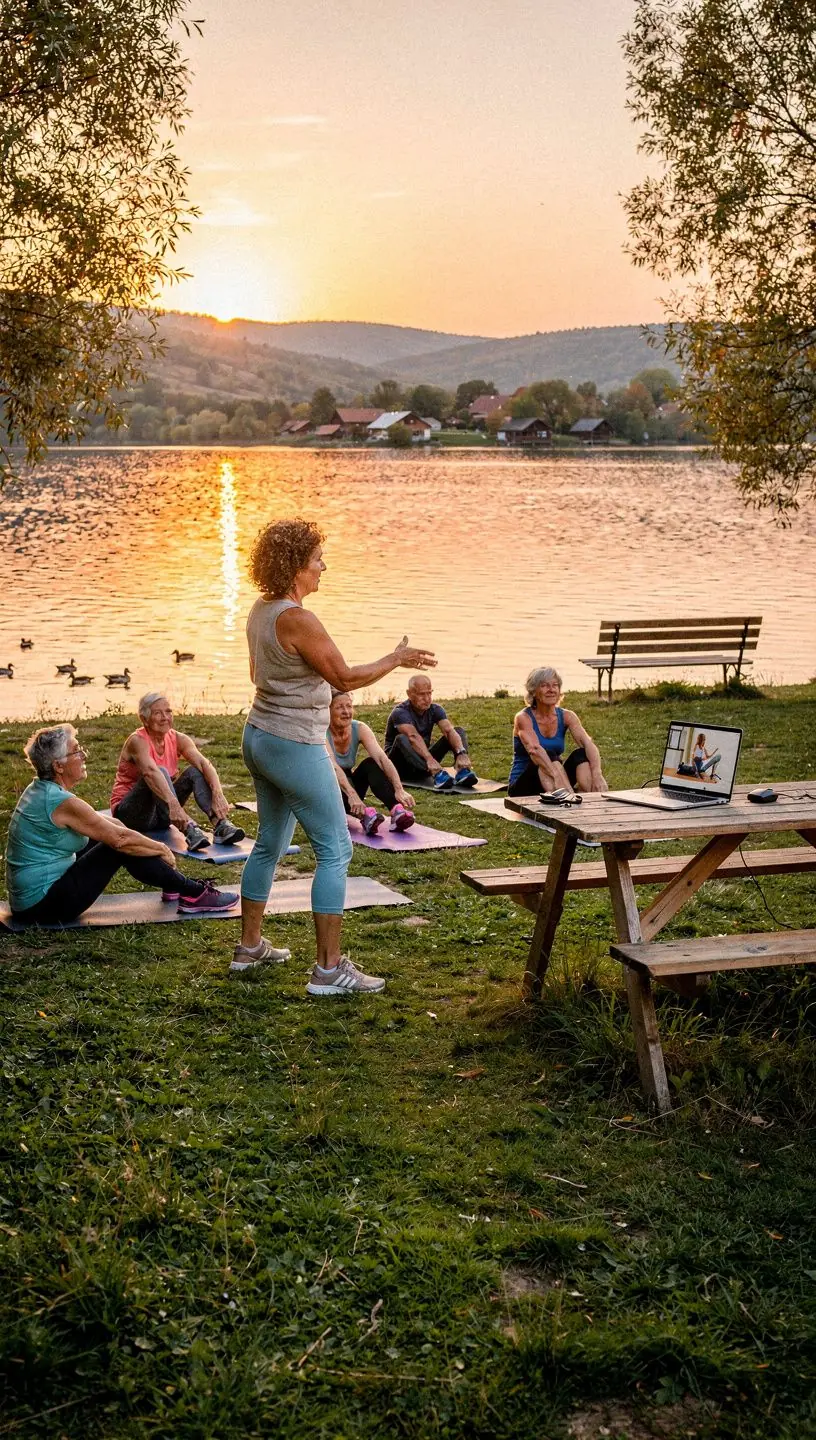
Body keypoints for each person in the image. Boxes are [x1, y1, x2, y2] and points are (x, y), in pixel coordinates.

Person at [237, 516, 435, 991]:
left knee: (269, 842)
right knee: (336, 848)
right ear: (295, 567)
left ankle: (249, 949)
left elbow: (256, 675)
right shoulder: (297, 618)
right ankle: (328, 970)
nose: (323, 567)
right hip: (292, 745)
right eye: (316, 560)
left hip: (259, 736)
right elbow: (343, 678)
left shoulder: (261, 610)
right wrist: (395, 659)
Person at [5, 724, 240, 925]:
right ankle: (194, 893)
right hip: (42, 907)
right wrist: (162, 849)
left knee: (115, 836)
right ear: (58, 766)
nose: (84, 755)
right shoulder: (59, 801)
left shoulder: (42, 790)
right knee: (116, 847)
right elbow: (120, 840)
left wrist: (146, 847)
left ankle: (174, 885)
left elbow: (112, 824)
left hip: (31, 901)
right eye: (77, 751)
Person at [111, 693, 245, 851]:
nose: (164, 717)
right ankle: (188, 829)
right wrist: (175, 806)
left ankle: (220, 824)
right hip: (131, 816)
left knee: (195, 771)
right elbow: (150, 772)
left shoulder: (178, 739)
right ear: (144, 719)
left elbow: (204, 764)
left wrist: (217, 793)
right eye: (157, 713)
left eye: (168, 712)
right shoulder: (137, 741)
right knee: (159, 771)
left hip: (163, 814)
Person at [508, 666, 607, 796]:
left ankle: (592, 797)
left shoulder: (567, 716)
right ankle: (569, 797)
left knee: (581, 754)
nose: (551, 690)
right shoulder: (523, 718)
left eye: (555, 685)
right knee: (547, 754)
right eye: (544, 686)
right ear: (533, 692)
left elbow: (588, 743)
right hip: (524, 786)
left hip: (554, 782)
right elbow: (535, 750)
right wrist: (558, 778)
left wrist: (597, 773)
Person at [327, 691, 415, 835]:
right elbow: (333, 767)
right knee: (329, 775)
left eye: (349, 706)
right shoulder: (321, 732)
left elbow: (382, 758)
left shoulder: (359, 728)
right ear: (328, 711)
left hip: (350, 786)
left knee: (371, 763)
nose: (346, 712)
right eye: (339, 707)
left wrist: (399, 789)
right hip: (329, 788)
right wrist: (352, 795)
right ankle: (365, 816)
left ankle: (396, 811)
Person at [384, 676, 477, 790]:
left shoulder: (435, 709)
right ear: (409, 694)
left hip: (422, 762)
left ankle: (462, 770)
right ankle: (437, 773)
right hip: (398, 767)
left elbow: (448, 731)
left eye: (429, 693)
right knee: (402, 738)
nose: (427, 699)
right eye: (422, 694)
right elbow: (413, 736)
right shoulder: (400, 712)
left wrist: (461, 753)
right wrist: (430, 759)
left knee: (457, 731)